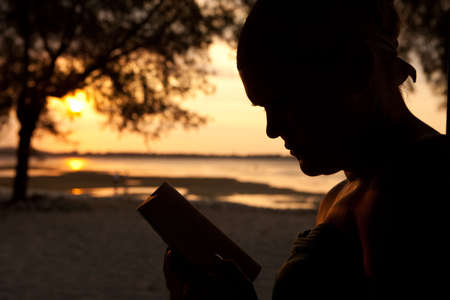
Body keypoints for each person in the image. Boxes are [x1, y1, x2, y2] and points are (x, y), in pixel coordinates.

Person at [163, 0, 450, 299]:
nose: (271, 129)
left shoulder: (419, 188)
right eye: (263, 108)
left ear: (357, 70)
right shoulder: (343, 193)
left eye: (284, 103)